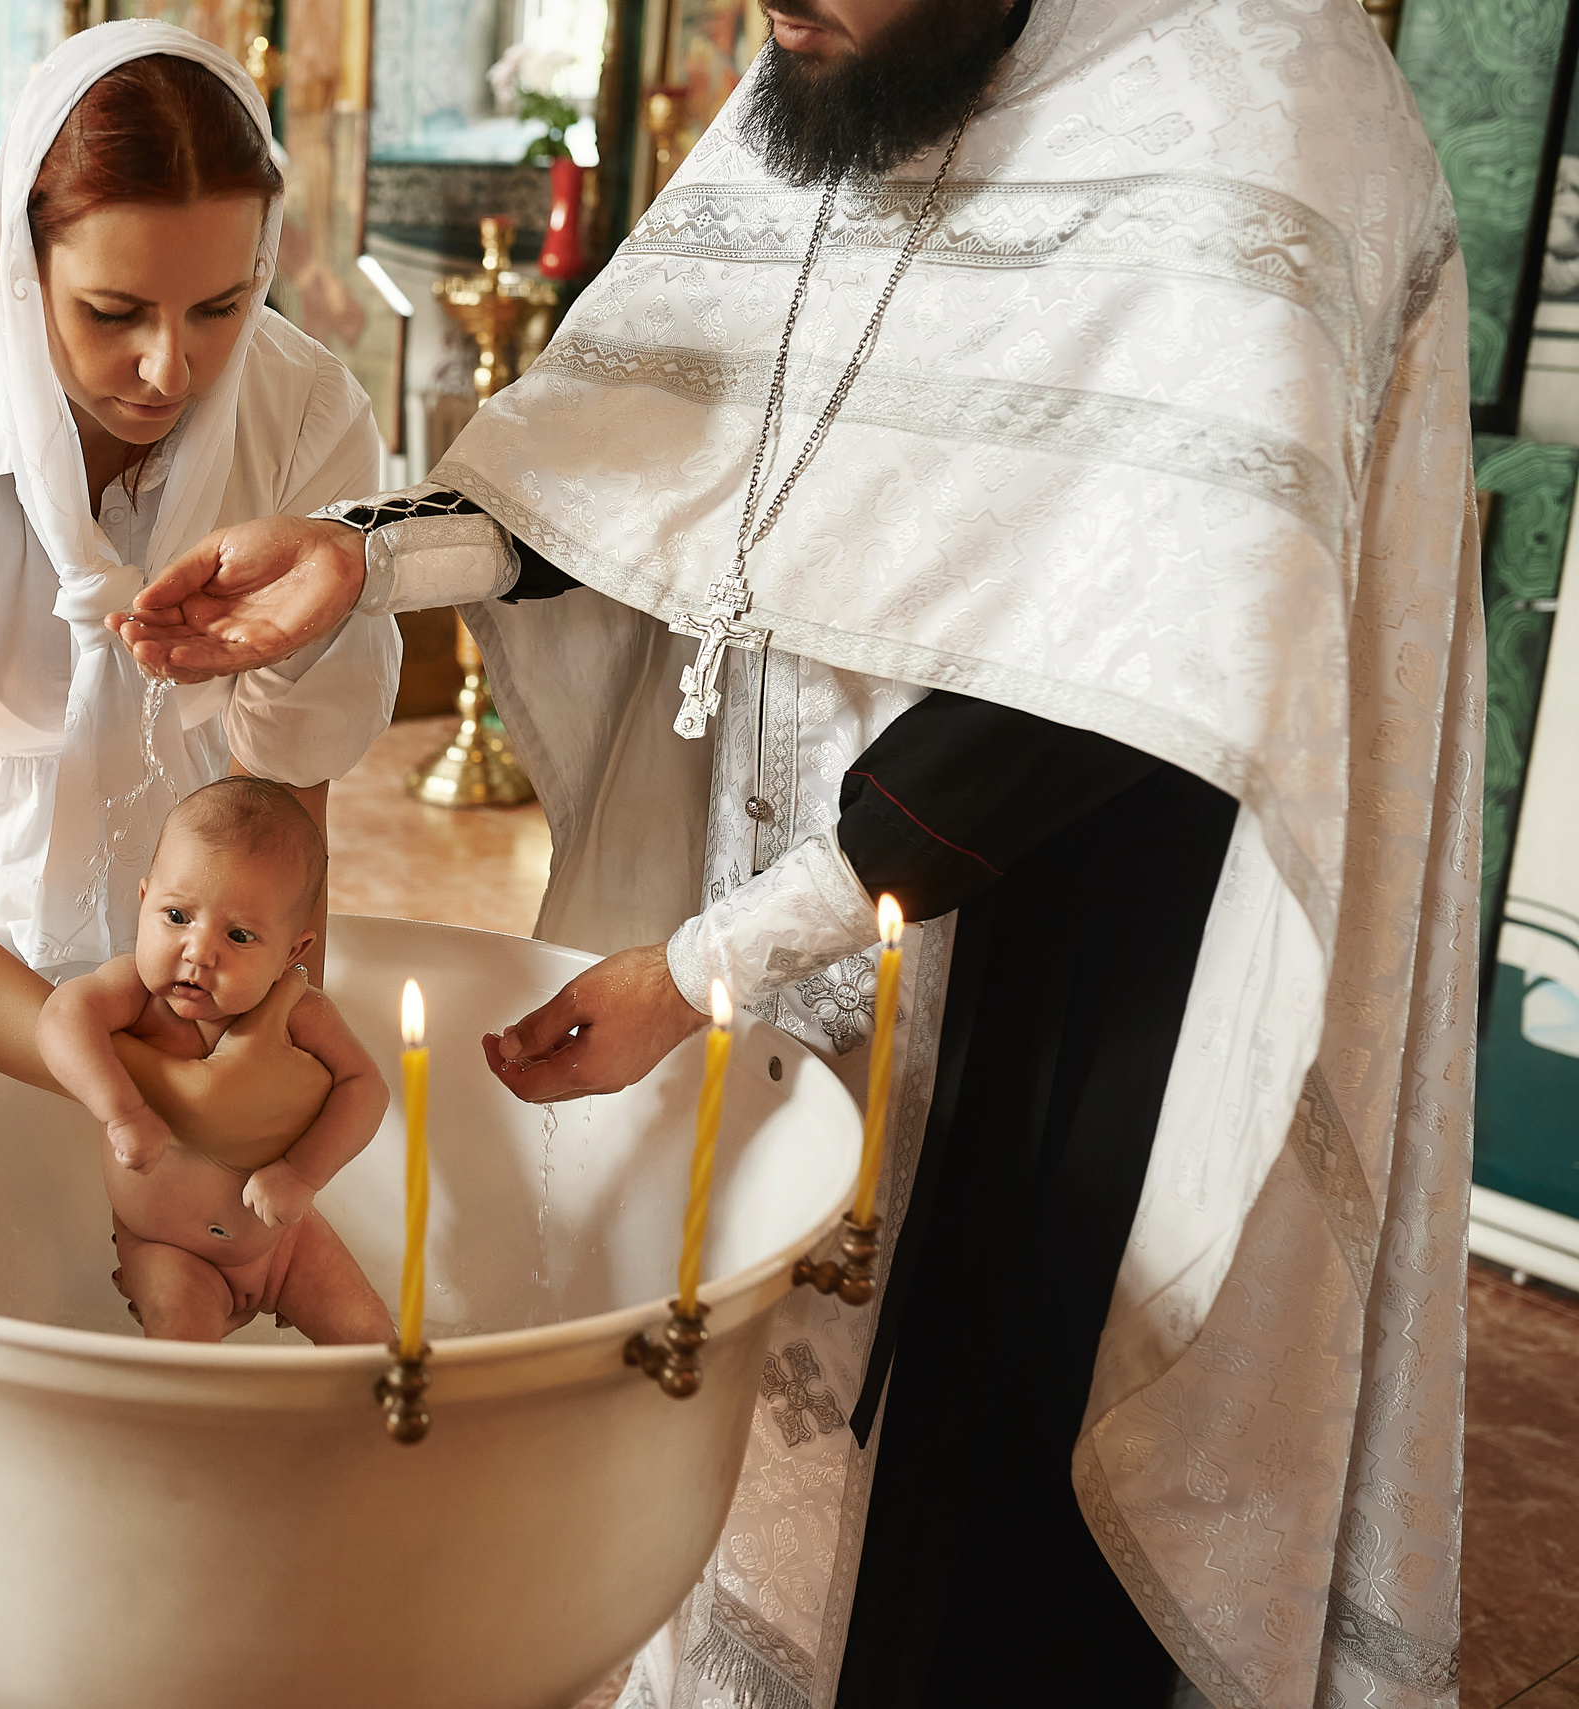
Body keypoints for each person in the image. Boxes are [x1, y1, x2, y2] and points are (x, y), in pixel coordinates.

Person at [117, 0, 1475, 1701]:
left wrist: (708, 963)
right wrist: (369, 557)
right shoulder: (838, 66)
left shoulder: (1267, 100)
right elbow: (646, 447)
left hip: (1080, 966)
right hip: (794, 902)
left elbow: (1134, 673)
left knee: (984, 1544)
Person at [0, 21, 399, 1143]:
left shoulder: (305, 418)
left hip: (202, 927)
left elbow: (278, 824)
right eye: (113, 313)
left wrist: (258, 1058)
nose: (171, 369)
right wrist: (150, 1095)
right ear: (24, 268)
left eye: (221, 307)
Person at [40, 778, 393, 1343]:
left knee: (367, 1332)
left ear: (292, 952)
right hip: (166, 1249)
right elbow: (60, 1017)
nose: (199, 952)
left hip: (281, 1241)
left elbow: (366, 1087)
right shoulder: (134, 992)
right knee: (183, 1346)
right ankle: (195, 1433)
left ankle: (365, 1430)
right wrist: (123, 1111)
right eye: (177, 916)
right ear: (144, 899)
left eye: (240, 935)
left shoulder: (298, 1011)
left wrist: (303, 1172)